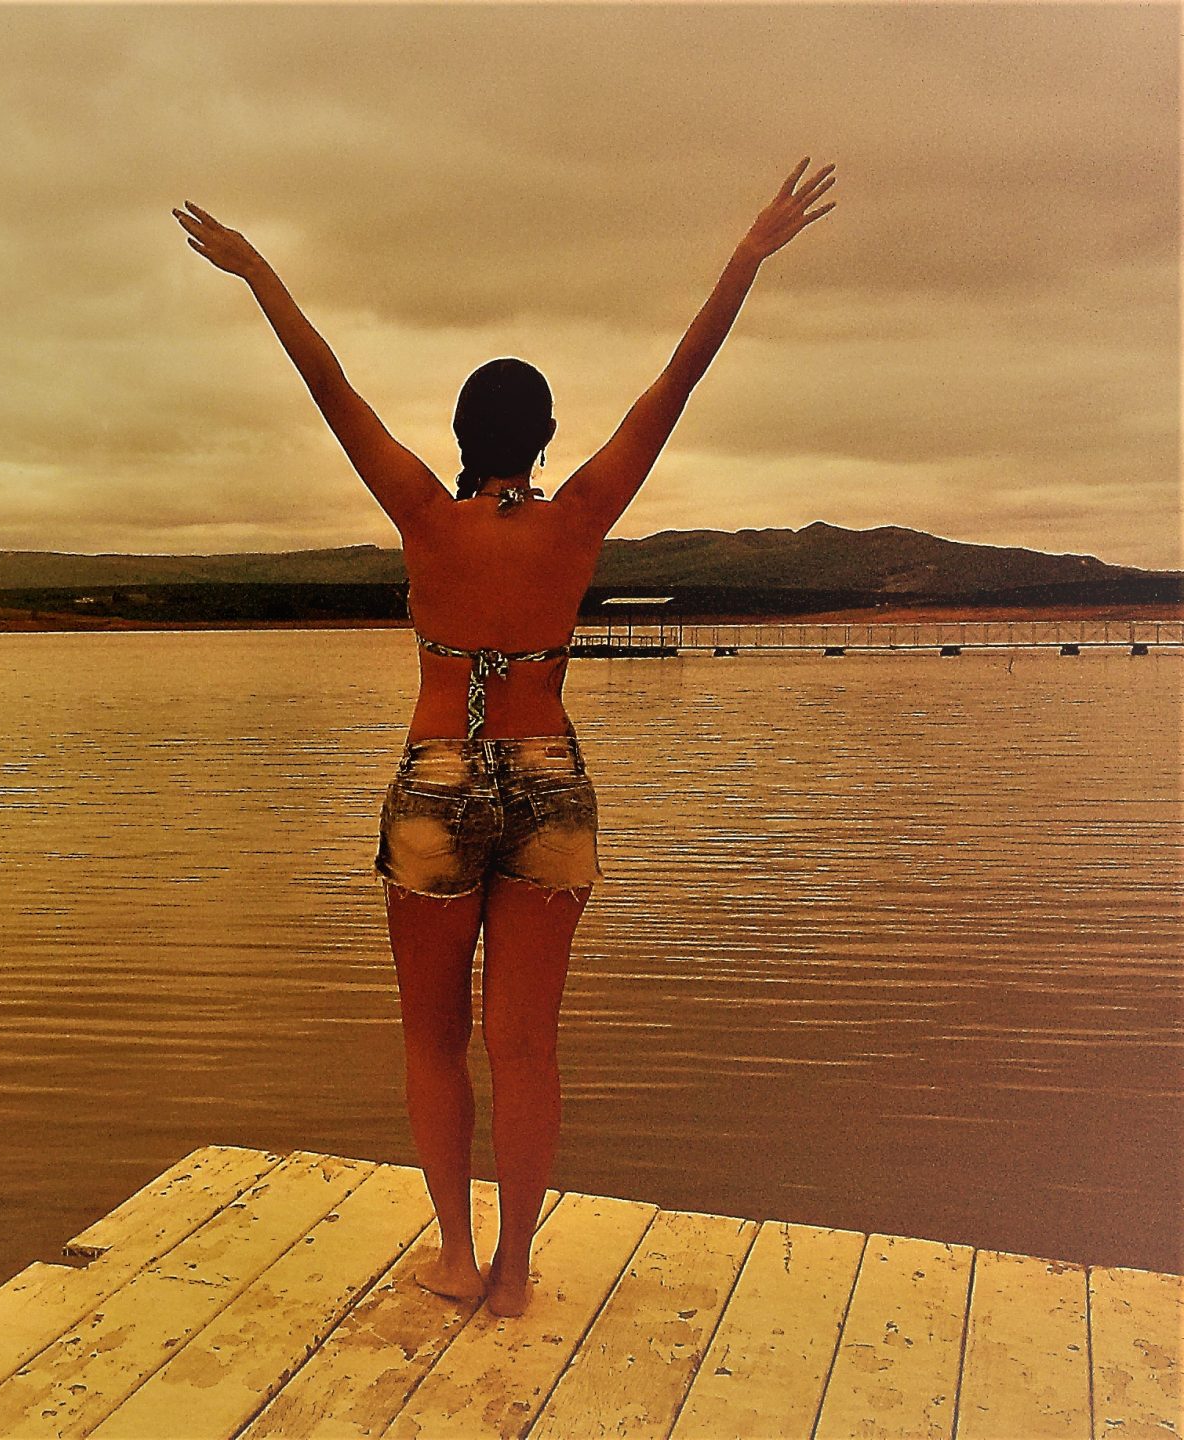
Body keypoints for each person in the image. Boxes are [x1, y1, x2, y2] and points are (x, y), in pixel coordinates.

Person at [174, 159, 837, 1317]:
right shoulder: (579, 517)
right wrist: (746, 255)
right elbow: (676, 382)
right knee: (524, 1045)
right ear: (542, 441)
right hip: (547, 779)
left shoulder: (422, 514)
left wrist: (256, 271)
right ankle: (518, 1271)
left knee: (432, 1040)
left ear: (459, 436)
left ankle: (456, 1255)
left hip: (436, 781)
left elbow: (329, 385)